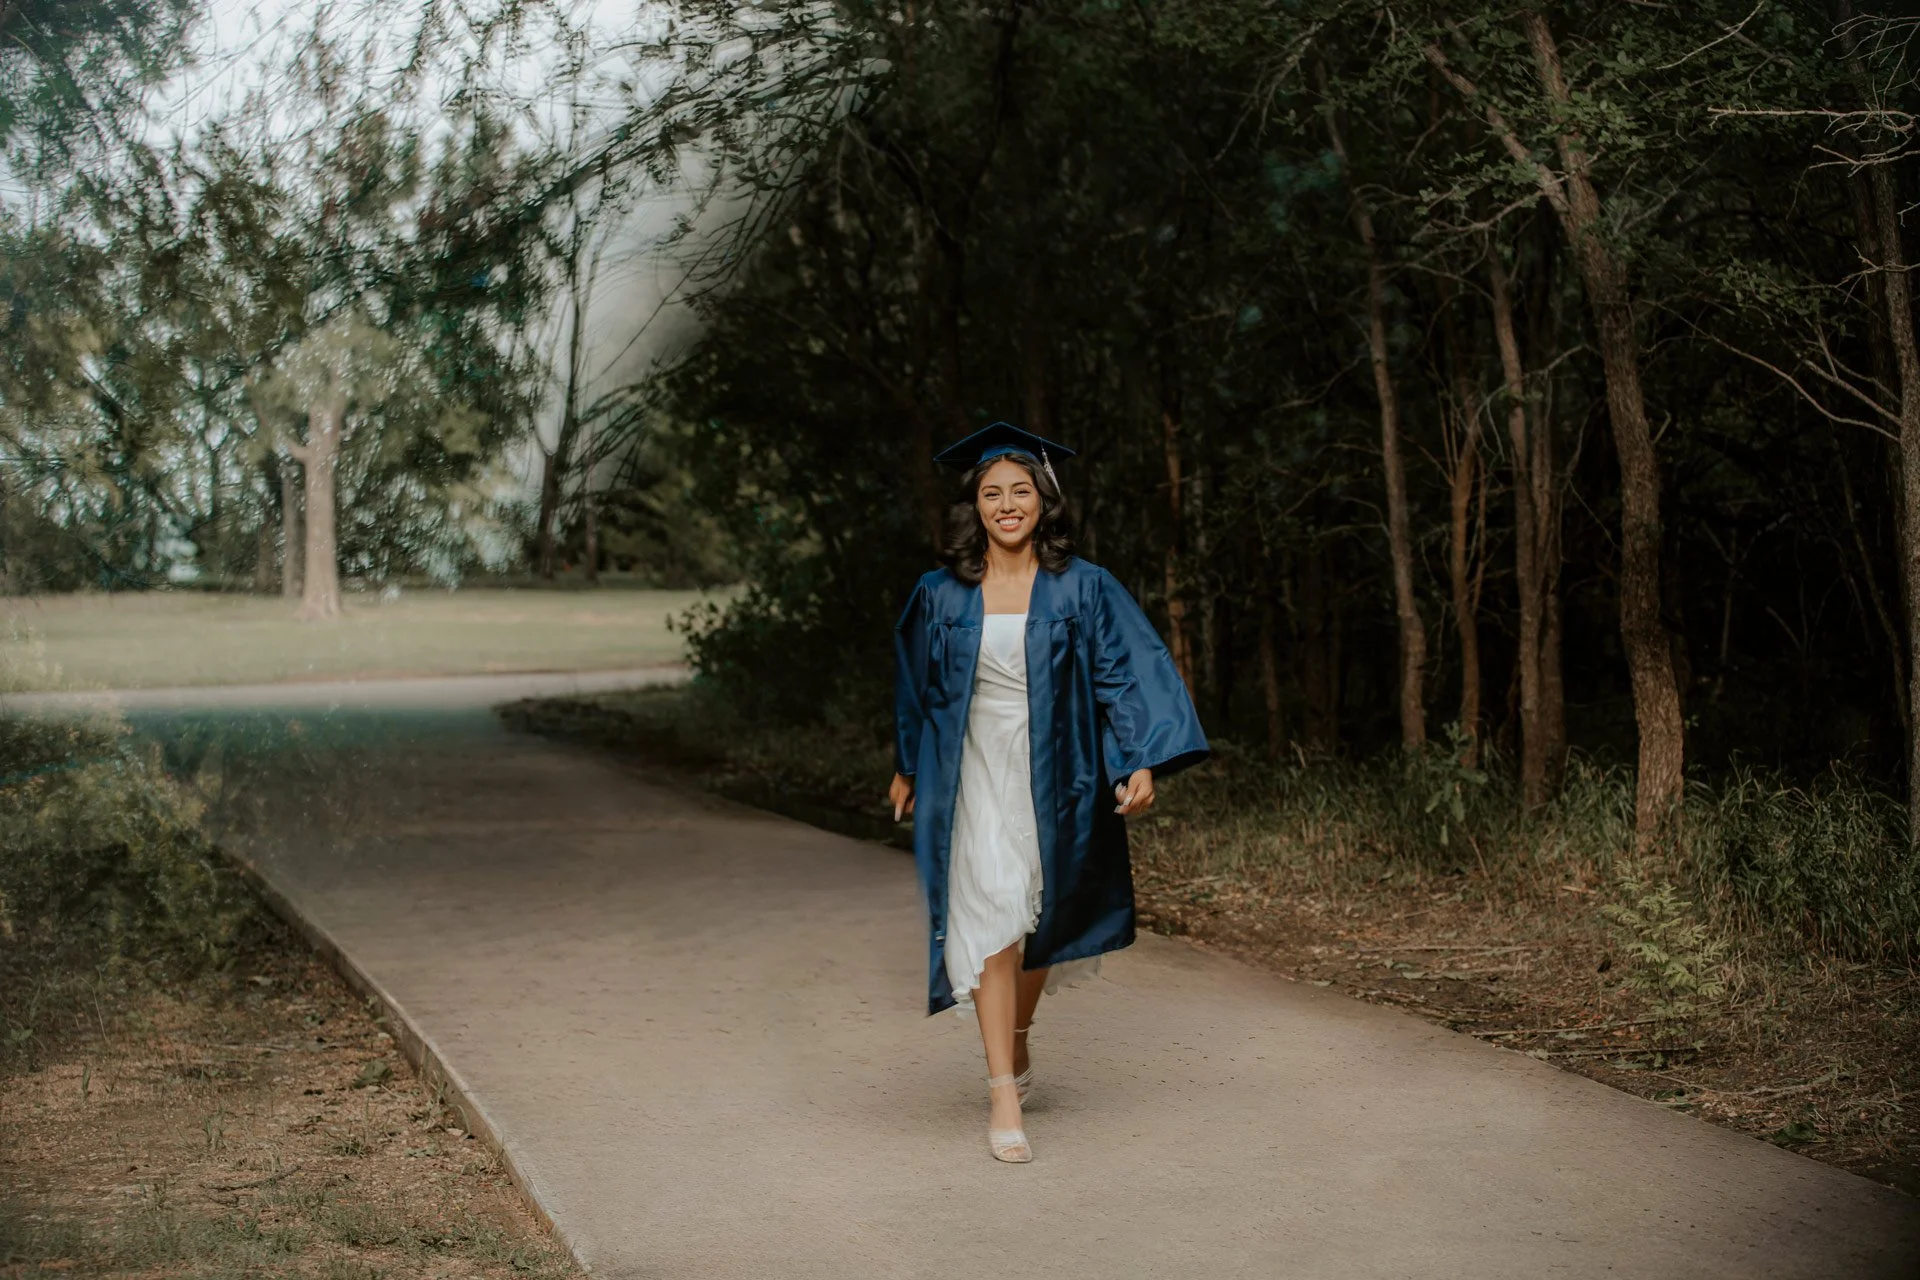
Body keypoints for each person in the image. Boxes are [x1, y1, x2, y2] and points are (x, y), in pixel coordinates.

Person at [890, 421, 1209, 1164]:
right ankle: (1003, 1090)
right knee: (995, 912)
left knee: (1035, 916)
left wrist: (1138, 758)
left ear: (1043, 501)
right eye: (992, 493)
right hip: (970, 772)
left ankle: (1018, 1036)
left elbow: (1123, 673)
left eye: (1021, 491)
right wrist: (907, 765)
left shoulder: (1083, 586)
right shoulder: (939, 594)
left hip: (1054, 769)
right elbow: (916, 686)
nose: (1007, 504)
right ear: (975, 505)